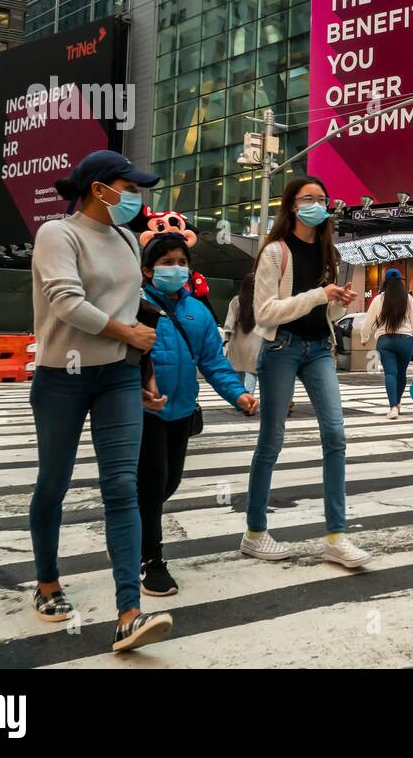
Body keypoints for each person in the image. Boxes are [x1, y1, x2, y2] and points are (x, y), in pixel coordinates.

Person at [28, 149, 174, 653]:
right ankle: (46, 582)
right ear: (99, 188)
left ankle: (129, 613)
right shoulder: (57, 234)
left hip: (118, 376)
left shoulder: (129, 240)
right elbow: (65, 301)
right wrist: (125, 334)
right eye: (128, 188)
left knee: (121, 486)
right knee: (55, 482)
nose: (135, 197)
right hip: (60, 376)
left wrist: (143, 371)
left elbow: (133, 311)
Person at [242, 176, 371, 568]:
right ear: (292, 206)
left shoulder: (328, 252)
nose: (317, 203)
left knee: (335, 434)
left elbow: (325, 312)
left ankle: (336, 536)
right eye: (308, 198)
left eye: (322, 197)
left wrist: (337, 303)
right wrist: (320, 294)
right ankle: (254, 532)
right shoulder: (275, 253)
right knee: (271, 441)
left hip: (318, 349)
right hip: (281, 348)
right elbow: (265, 312)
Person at [138, 234, 258, 597]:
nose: (176, 269)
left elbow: (213, 362)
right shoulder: (134, 304)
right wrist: (136, 391)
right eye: (167, 263)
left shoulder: (197, 312)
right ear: (147, 270)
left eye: (181, 262)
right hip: (144, 411)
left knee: (169, 482)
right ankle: (150, 560)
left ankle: (132, 524)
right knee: (153, 483)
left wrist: (239, 394)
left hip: (181, 411)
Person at [360, 267, 413, 419]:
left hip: (385, 341)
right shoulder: (408, 298)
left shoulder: (378, 299)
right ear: (400, 283)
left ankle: (393, 407)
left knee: (390, 373)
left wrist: (364, 337)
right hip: (406, 341)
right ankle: (397, 403)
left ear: (385, 283)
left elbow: (368, 322)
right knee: (401, 373)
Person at [223, 272, 262, 395]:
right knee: (252, 372)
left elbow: (229, 324)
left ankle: (240, 397)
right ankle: (249, 396)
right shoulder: (262, 302)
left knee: (237, 371)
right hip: (256, 343)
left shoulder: (236, 301)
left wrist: (225, 341)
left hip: (237, 343)